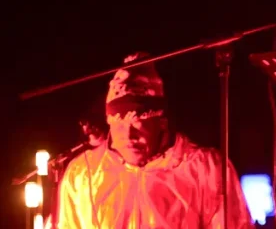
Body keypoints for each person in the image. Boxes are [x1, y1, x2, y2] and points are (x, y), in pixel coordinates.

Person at [58, 54, 251, 229]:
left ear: (161, 122)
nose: (128, 135)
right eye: (119, 125)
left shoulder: (205, 168)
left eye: (138, 123)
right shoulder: (82, 173)